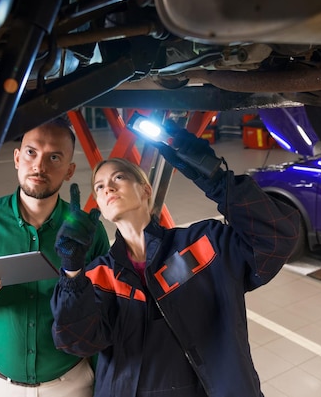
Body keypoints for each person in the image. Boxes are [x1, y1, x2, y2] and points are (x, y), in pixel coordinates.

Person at [50, 129, 302, 397]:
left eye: (119, 177)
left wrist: (218, 181)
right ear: (99, 203)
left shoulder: (203, 244)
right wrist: (72, 271)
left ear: (146, 189)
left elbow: (276, 238)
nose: (107, 187)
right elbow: (77, 340)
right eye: (99, 187)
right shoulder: (99, 276)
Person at [0, 116, 110, 397]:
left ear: (69, 171)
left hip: (71, 382)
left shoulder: (87, 233)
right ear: (18, 157)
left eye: (54, 157)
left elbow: (106, 306)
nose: (39, 166)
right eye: (31, 152)